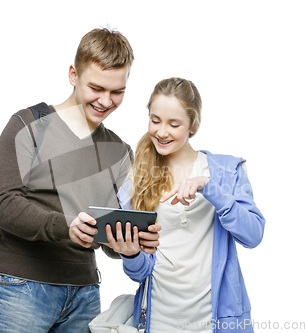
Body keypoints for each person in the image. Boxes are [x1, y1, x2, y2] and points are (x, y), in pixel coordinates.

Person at [0, 28, 160, 333]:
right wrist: (68, 226)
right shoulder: (28, 125)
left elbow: (108, 235)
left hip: (85, 296)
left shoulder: (120, 152)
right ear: (73, 74)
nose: (106, 101)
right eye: (96, 88)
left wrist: (132, 244)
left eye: (117, 92)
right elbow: (5, 205)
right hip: (19, 290)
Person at [107, 78, 266, 333]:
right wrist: (130, 254)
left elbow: (254, 235)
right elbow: (139, 273)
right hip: (157, 322)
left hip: (215, 324)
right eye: (155, 120)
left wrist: (209, 186)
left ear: (193, 125)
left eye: (174, 124)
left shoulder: (227, 171)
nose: (161, 132)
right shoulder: (137, 181)